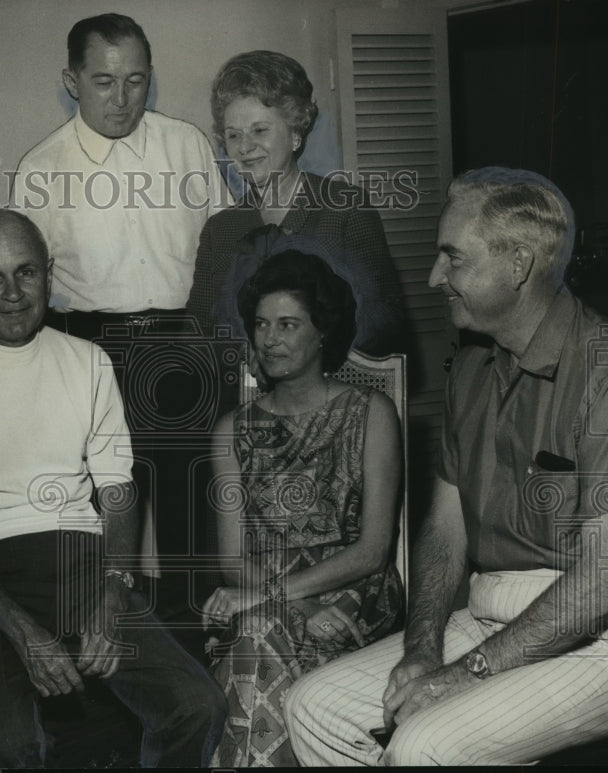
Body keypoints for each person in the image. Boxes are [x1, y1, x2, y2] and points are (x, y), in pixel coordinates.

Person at [283, 167, 608, 765]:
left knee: (422, 744)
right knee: (313, 706)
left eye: (452, 258)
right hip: (493, 613)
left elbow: (607, 581)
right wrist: (421, 647)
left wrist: (470, 671)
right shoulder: (470, 368)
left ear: (517, 263)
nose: (436, 277)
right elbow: (444, 533)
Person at [0, 209, 227, 768]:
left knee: (197, 705)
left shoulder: (88, 361)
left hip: (81, 562)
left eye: (26, 272)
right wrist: (25, 633)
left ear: (49, 274)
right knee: (11, 748)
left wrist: (113, 588)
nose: (13, 292)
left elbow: (117, 490)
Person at [12, 13, 233, 610]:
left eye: (136, 80)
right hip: (93, 349)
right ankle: (114, 659)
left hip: (186, 343)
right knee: (106, 513)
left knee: (196, 513)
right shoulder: (41, 169)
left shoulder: (187, 146)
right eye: (105, 81)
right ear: (72, 80)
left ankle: (200, 657)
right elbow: (28, 289)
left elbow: (228, 249)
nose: (122, 98)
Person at [201, 251, 404, 767]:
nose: (270, 339)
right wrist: (291, 605)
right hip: (264, 593)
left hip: (355, 589)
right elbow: (232, 559)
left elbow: (375, 552)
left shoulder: (370, 413)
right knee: (257, 633)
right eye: (262, 325)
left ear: (322, 332)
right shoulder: (232, 431)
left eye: (288, 324)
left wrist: (272, 599)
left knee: (254, 630)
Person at [186, 50, 405, 357]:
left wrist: (309, 362)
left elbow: (384, 320)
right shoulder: (220, 229)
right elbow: (199, 330)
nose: (245, 147)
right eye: (233, 135)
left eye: (260, 130)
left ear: (295, 135)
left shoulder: (344, 209)